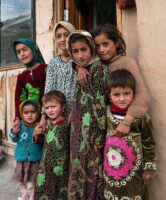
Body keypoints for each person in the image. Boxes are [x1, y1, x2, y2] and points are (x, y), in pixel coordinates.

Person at [78, 24, 150, 136]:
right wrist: (79, 67)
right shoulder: (95, 66)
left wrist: (127, 121)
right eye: (97, 46)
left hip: (123, 126)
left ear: (116, 43)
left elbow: (142, 95)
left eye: (105, 44)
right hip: (99, 129)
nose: (101, 50)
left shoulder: (127, 63)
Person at [66, 30, 108, 200]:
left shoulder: (99, 70)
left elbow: (100, 104)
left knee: (92, 170)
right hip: (78, 129)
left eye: (83, 49)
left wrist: (99, 135)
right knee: (78, 167)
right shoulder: (81, 68)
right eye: (75, 51)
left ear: (91, 47)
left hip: (92, 131)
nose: (80, 55)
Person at [103, 69, 156, 199]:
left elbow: (149, 142)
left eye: (126, 93)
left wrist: (149, 167)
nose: (122, 99)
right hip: (111, 167)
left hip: (135, 170)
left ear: (134, 93)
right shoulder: (105, 114)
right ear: (109, 95)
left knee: (134, 192)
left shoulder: (141, 117)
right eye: (116, 94)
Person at [38, 21, 76, 131]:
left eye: (66, 35)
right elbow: (48, 90)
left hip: (76, 114)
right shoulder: (53, 63)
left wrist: (77, 111)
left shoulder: (79, 59)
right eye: (58, 36)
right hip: (56, 116)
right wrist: (44, 116)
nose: (63, 39)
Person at [34, 90, 70, 200]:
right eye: (47, 108)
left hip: (62, 164)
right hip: (46, 164)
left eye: (53, 106)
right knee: (44, 186)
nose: (50, 110)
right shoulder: (46, 124)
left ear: (63, 106)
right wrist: (36, 135)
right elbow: (40, 140)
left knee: (59, 188)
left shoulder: (67, 122)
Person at [9, 99, 43, 200]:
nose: (29, 115)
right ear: (21, 113)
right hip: (21, 160)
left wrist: (37, 135)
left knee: (32, 183)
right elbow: (13, 139)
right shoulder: (19, 124)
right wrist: (14, 131)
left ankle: (32, 197)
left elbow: (43, 141)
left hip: (34, 161)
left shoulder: (39, 126)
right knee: (21, 182)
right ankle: (24, 195)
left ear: (38, 112)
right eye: (26, 112)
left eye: (33, 112)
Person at [13, 38, 47, 118]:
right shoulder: (21, 76)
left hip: (48, 116)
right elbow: (19, 100)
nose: (22, 54)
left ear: (33, 49)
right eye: (18, 52)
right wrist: (17, 118)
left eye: (25, 49)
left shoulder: (46, 69)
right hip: (29, 119)